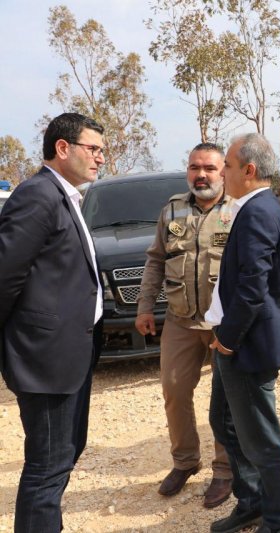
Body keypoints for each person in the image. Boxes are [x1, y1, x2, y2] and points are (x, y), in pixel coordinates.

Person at [0, 113, 105, 531]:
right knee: (47, 466)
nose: (100, 158)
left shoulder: (64, 196)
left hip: (69, 353)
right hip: (45, 361)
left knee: (63, 455)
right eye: (93, 149)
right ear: (63, 148)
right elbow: (4, 276)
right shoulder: (38, 196)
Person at [206, 133, 280, 533]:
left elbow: (253, 287)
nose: (221, 173)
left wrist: (228, 338)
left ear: (249, 169)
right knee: (225, 421)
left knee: (261, 438)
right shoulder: (254, 207)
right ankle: (253, 502)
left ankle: (279, 521)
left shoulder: (258, 211)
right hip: (235, 339)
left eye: (226, 165)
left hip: (246, 344)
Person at [136, 142, 235, 507]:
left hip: (224, 323)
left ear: (223, 171)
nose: (201, 175)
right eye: (194, 167)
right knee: (175, 390)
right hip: (180, 320)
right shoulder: (173, 209)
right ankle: (185, 461)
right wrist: (145, 307)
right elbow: (155, 261)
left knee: (226, 398)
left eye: (209, 168)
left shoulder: (238, 209)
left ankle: (225, 470)